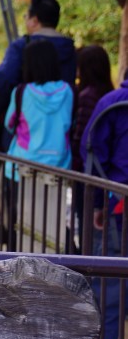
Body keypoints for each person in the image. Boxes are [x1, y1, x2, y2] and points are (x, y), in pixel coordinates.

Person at [69, 70, 128, 339]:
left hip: (118, 213)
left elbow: (91, 153)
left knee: (106, 307)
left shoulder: (112, 103)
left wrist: (96, 207)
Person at [0, 0, 76, 150]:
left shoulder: (21, 46)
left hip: (25, 135)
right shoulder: (69, 49)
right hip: (58, 139)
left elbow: (5, 79)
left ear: (35, 20)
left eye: (26, 17)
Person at [3, 39, 74, 181]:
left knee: (23, 203)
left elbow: (9, 124)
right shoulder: (68, 91)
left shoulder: (22, 92)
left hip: (25, 163)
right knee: (54, 203)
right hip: (59, 165)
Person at [70, 46, 114, 241]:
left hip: (86, 171)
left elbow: (82, 136)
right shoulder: (108, 92)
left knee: (86, 220)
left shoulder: (87, 95)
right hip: (105, 169)